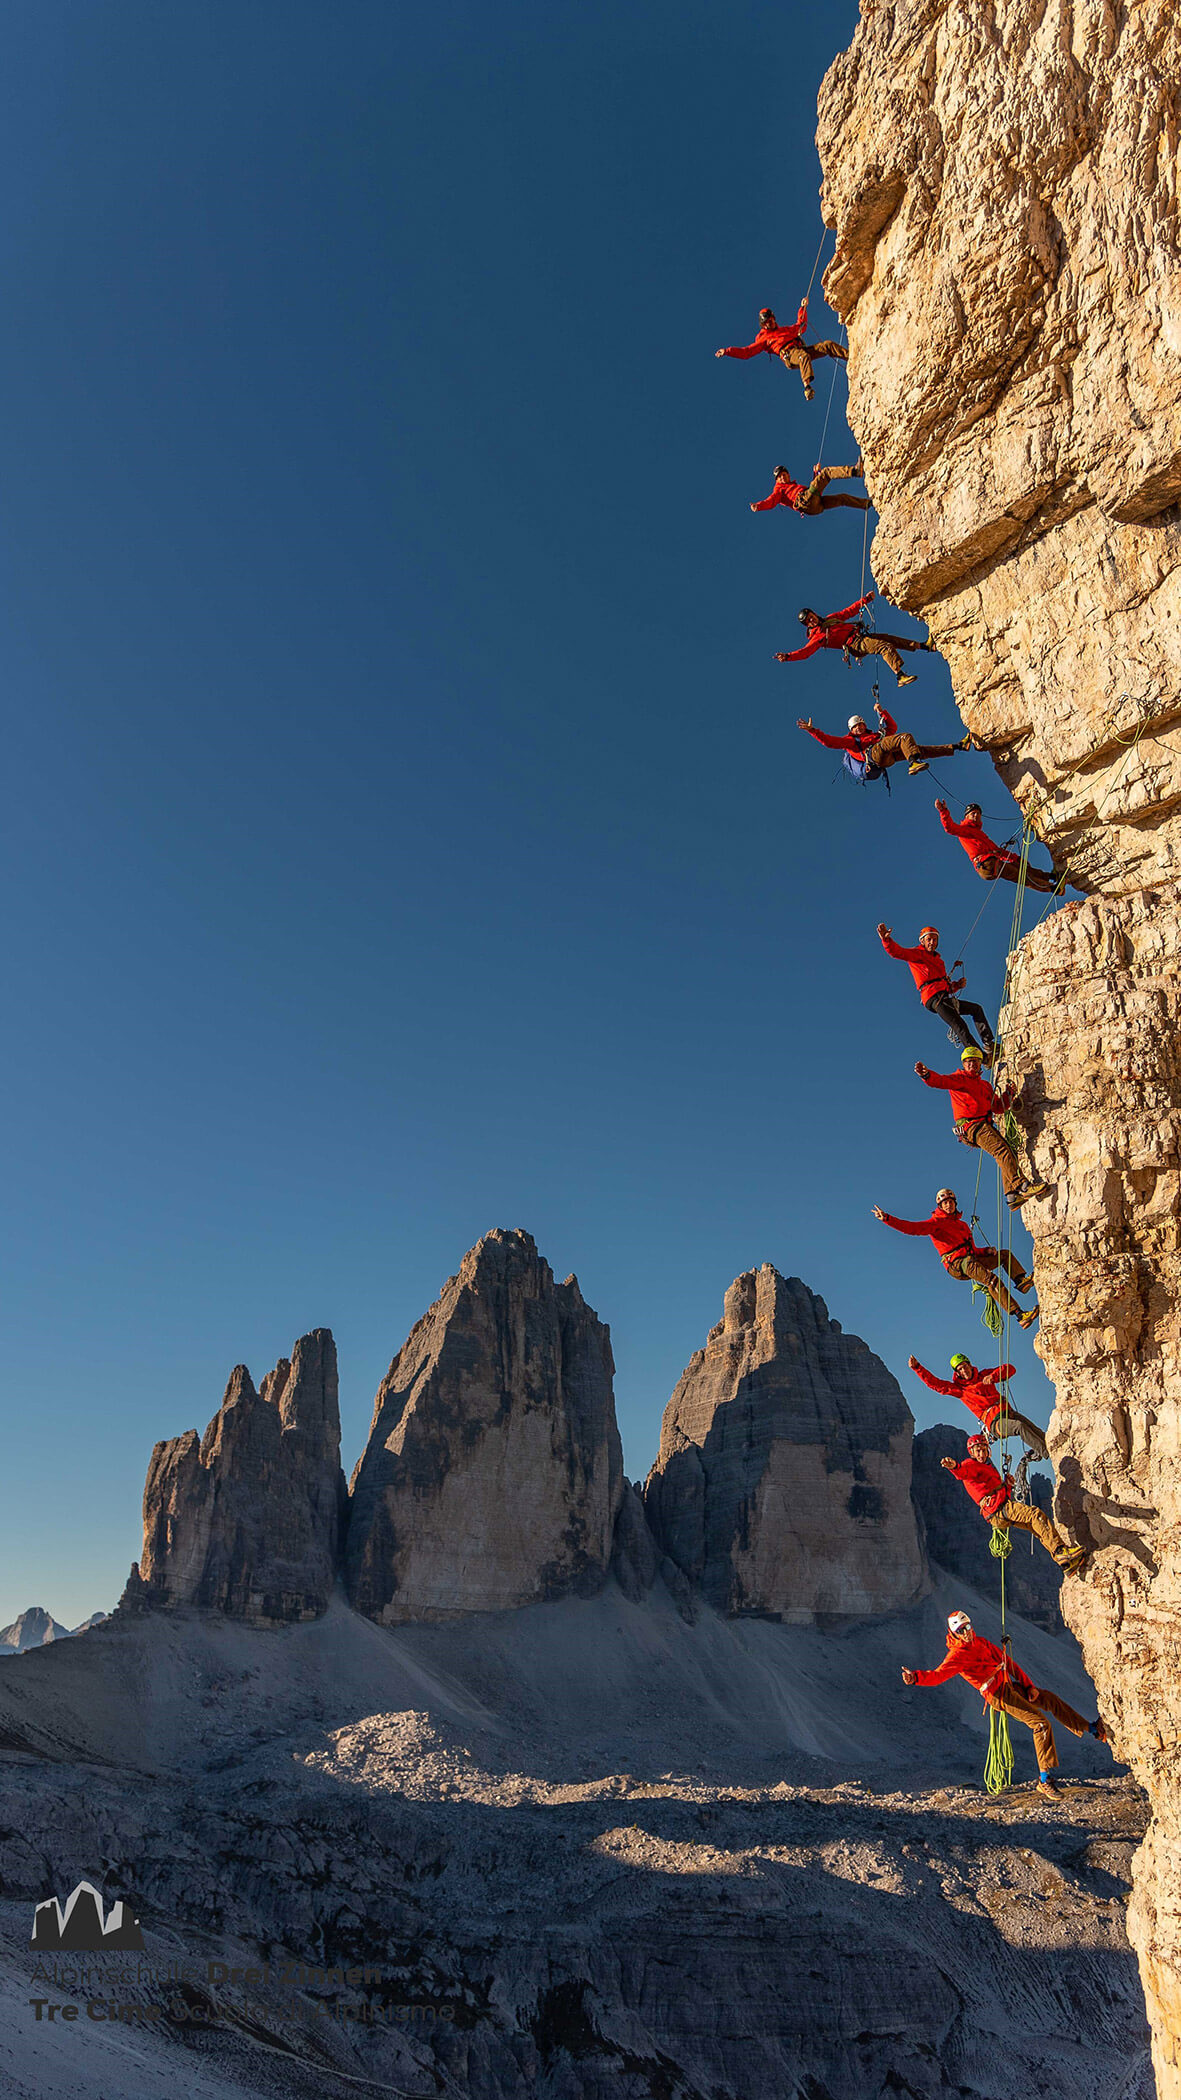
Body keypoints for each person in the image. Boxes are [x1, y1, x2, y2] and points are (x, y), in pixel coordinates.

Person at [901, 1609, 1108, 1799]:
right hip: (997, 1694)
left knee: (1049, 1699)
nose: (966, 1632)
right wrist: (916, 1678)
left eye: (968, 1627)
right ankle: (1044, 1781)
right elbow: (938, 1675)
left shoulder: (981, 1643)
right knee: (1041, 1725)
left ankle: (1093, 1730)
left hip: (1008, 1685)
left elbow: (1008, 1663)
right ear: (954, 1633)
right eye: (961, 1630)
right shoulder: (957, 1655)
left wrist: (1029, 1686)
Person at [872, 1187, 1039, 1326]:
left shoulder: (962, 1225)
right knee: (990, 1280)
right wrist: (887, 1218)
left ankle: (1021, 1281)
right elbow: (912, 1228)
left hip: (970, 1259)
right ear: (940, 1205)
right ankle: (1019, 1315)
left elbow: (972, 1249)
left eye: (951, 1202)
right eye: (945, 1203)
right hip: (958, 1264)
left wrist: (986, 1251)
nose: (949, 1205)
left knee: (1004, 1255)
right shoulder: (936, 1223)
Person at [914, 1048, 1049, 1209]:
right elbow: (940, 1081)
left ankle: (1012, 1196)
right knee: (1001, 1151)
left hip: (983, 1124)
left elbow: (998, 1107)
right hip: (972, 1126)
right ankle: (1022, 1186)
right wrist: (926, 1075)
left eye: (975, 1061)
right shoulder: (959, 1078)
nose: (971, 1064)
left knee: (1008, 1152)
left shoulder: (985, 1086)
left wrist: (1008, 1094)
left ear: (979, 1064)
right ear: (964, 1064)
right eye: (968, 1061)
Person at [940, 1433, 1087, 1571]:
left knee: (1034, 1526)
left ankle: (1065, 1562)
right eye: (978, 1451)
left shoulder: (985, 1467)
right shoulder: (971, 1465)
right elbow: (963, 1472)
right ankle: (1061, 1551)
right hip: (998, 1508)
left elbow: (995, 1491)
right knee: (1034, 1515)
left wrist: (1007, 1485)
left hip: (996, 1512)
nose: (981, 1454)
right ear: (971, 1453)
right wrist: (954, 1467)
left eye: (983, 1450)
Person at [779, 597, 950, 693]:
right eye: (808, 620)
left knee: (890, 639)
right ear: (807, 625)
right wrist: (788, 657)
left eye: (811, 616)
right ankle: (900, 676)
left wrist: (864, 600)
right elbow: (806, 652)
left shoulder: (830, 619)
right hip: (855, 644)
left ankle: (925, 646)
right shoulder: (817, 636)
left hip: (859, 636)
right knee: (884, 646)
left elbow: (847, 611)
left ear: (814, 613)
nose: (812, 619)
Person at [877, 923, 995, 1058]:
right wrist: (886, 940)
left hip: (942, 996)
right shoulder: (917, 954)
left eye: (935, 940)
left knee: (976, 1009)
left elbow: (944, 986)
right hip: (932, 997)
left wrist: (957, 986)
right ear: (922, 941)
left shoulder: (939, 961)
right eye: (929, 939)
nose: (932, 942)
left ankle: (988, 1044)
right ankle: (983, 1058)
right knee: (959, 1025)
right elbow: (897, 952)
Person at [907, 1352, 1047, 1458]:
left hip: (1007, 1412)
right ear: (957, 1373)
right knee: (1019, 1427)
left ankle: (1051, 1445)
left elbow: (1010, 1369)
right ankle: (1046, 1452)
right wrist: (918, 1368)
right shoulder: (960, 1390)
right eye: (960, 1369)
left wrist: (993, 1377)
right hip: (994, 1422)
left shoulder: (984, 1375)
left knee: (1033, 1428)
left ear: (969, 1365)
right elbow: (937, 1385)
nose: (964, 1370)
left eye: (965, 1366)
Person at [715, 303, 847, 401]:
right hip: (789, 355)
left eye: (770, 321)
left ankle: (850, 356)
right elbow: (747, 352)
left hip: (799, 349)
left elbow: (801, 325)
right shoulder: (764, 339)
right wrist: (727, 351)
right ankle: (807, 387)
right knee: (803, 356)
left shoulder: (785, 331)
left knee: (827, 345)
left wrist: (802, 309)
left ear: (774, 318)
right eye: (766, 323)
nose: (769, 324)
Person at [935, 799, 1057, 892]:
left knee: (1022, 868)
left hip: (991, 861)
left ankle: (1051, 877)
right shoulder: (963, 830)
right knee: (1020, 876)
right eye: (973, 813)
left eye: (978, 813)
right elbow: (949, 828)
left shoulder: (981, 835)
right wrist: (943, 811)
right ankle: (1053, 889)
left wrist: (1015, 858)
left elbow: (997, 851)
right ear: (966, 816)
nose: (976, 815)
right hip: (985, 864)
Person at [751, 462, 870, 517]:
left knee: (842, 498)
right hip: (804, 502)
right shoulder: (779, 490)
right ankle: (855, 471)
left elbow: (815, 491)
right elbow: (771, 501)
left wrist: (816, 474)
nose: (782, 477)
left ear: (788, 474)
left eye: (784, 474)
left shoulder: (794, 487)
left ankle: (865, 504)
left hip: (814, 507)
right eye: (779, 476)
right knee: (827, 473)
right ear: (777, 480)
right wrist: (759, 506)